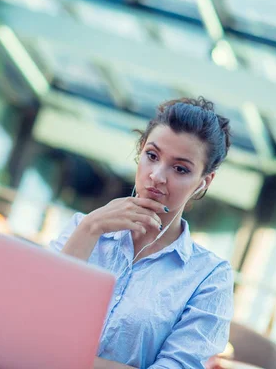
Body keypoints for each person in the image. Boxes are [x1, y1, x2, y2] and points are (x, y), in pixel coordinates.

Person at [49, 97, 234, 369]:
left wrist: (64, 360)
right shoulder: (83, 227)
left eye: (180, 168)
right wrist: (90, 228)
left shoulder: (209, 277)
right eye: (152, 156)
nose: (157, 176)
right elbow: (35, 317)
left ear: (203, 182)